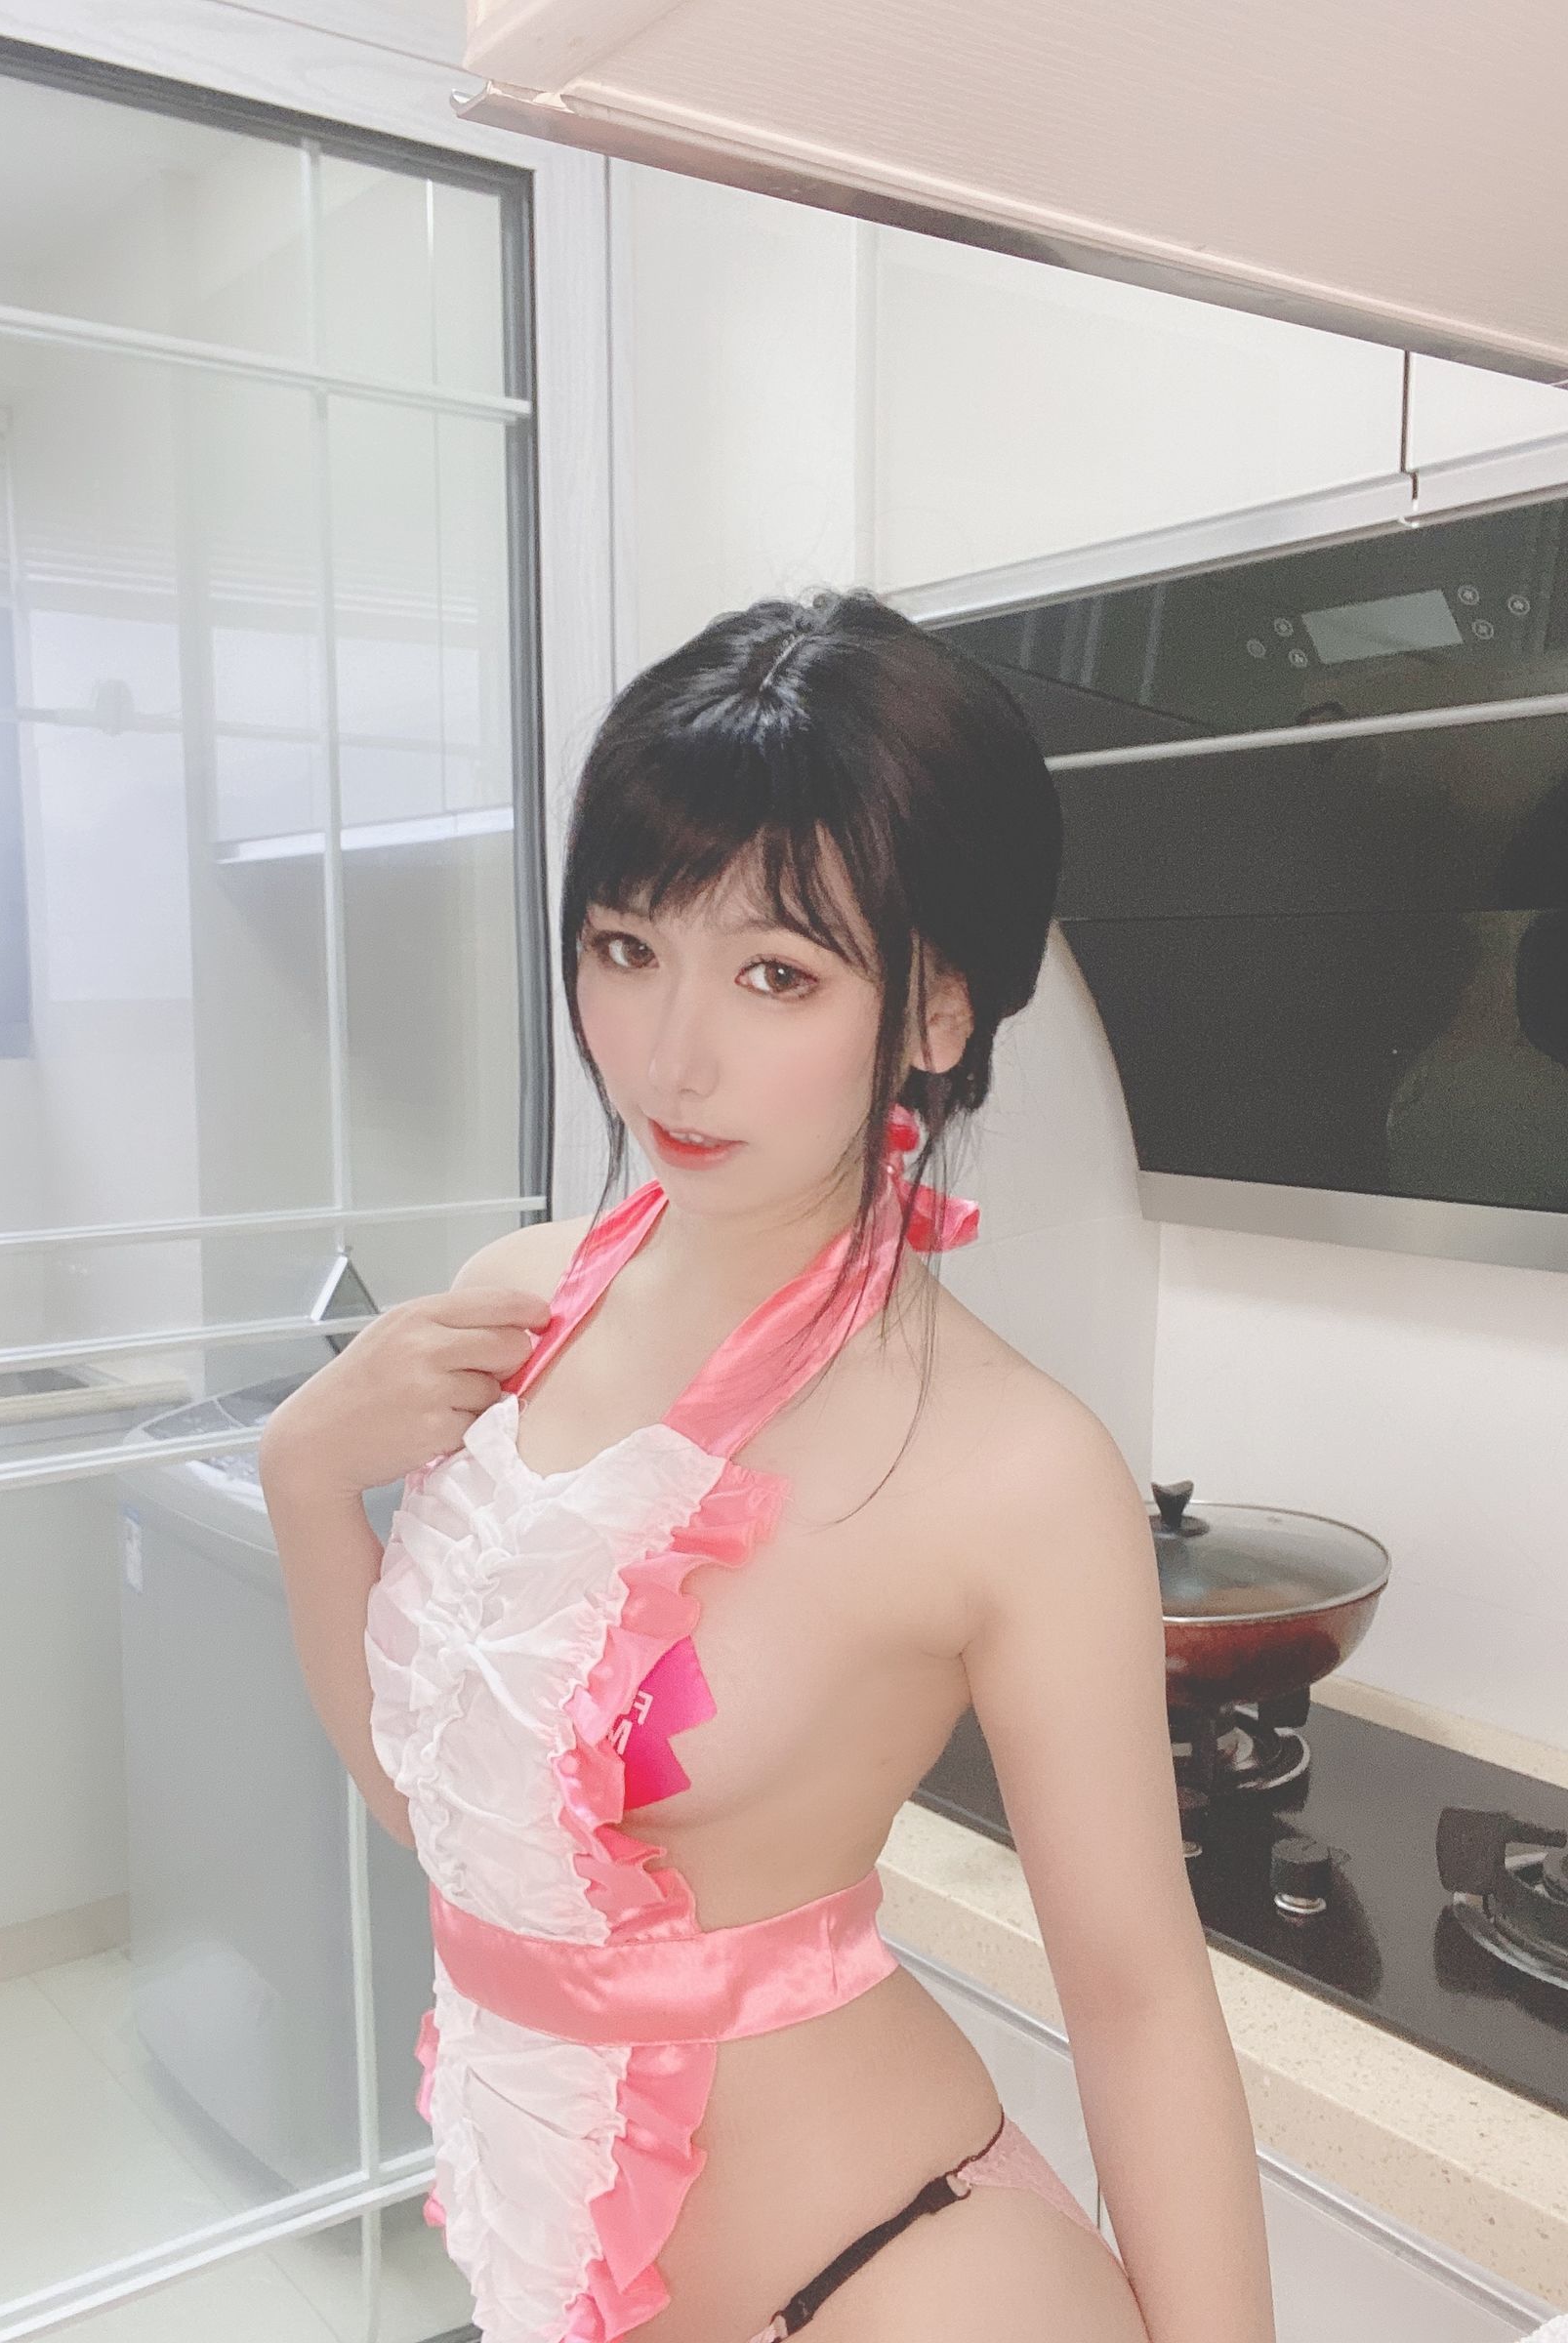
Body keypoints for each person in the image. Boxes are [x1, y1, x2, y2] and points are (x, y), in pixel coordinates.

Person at [260, 589, 1278, 2343]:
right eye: (626, 946)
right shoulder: (517, 1309)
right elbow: (457, 1828)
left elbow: (1137, 2003)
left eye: (777, 975)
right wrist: (301, 1478)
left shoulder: (1012, 1468)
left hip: (896, 2282)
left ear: (936, 1008)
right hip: (559, 2268)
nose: (672, 1054)